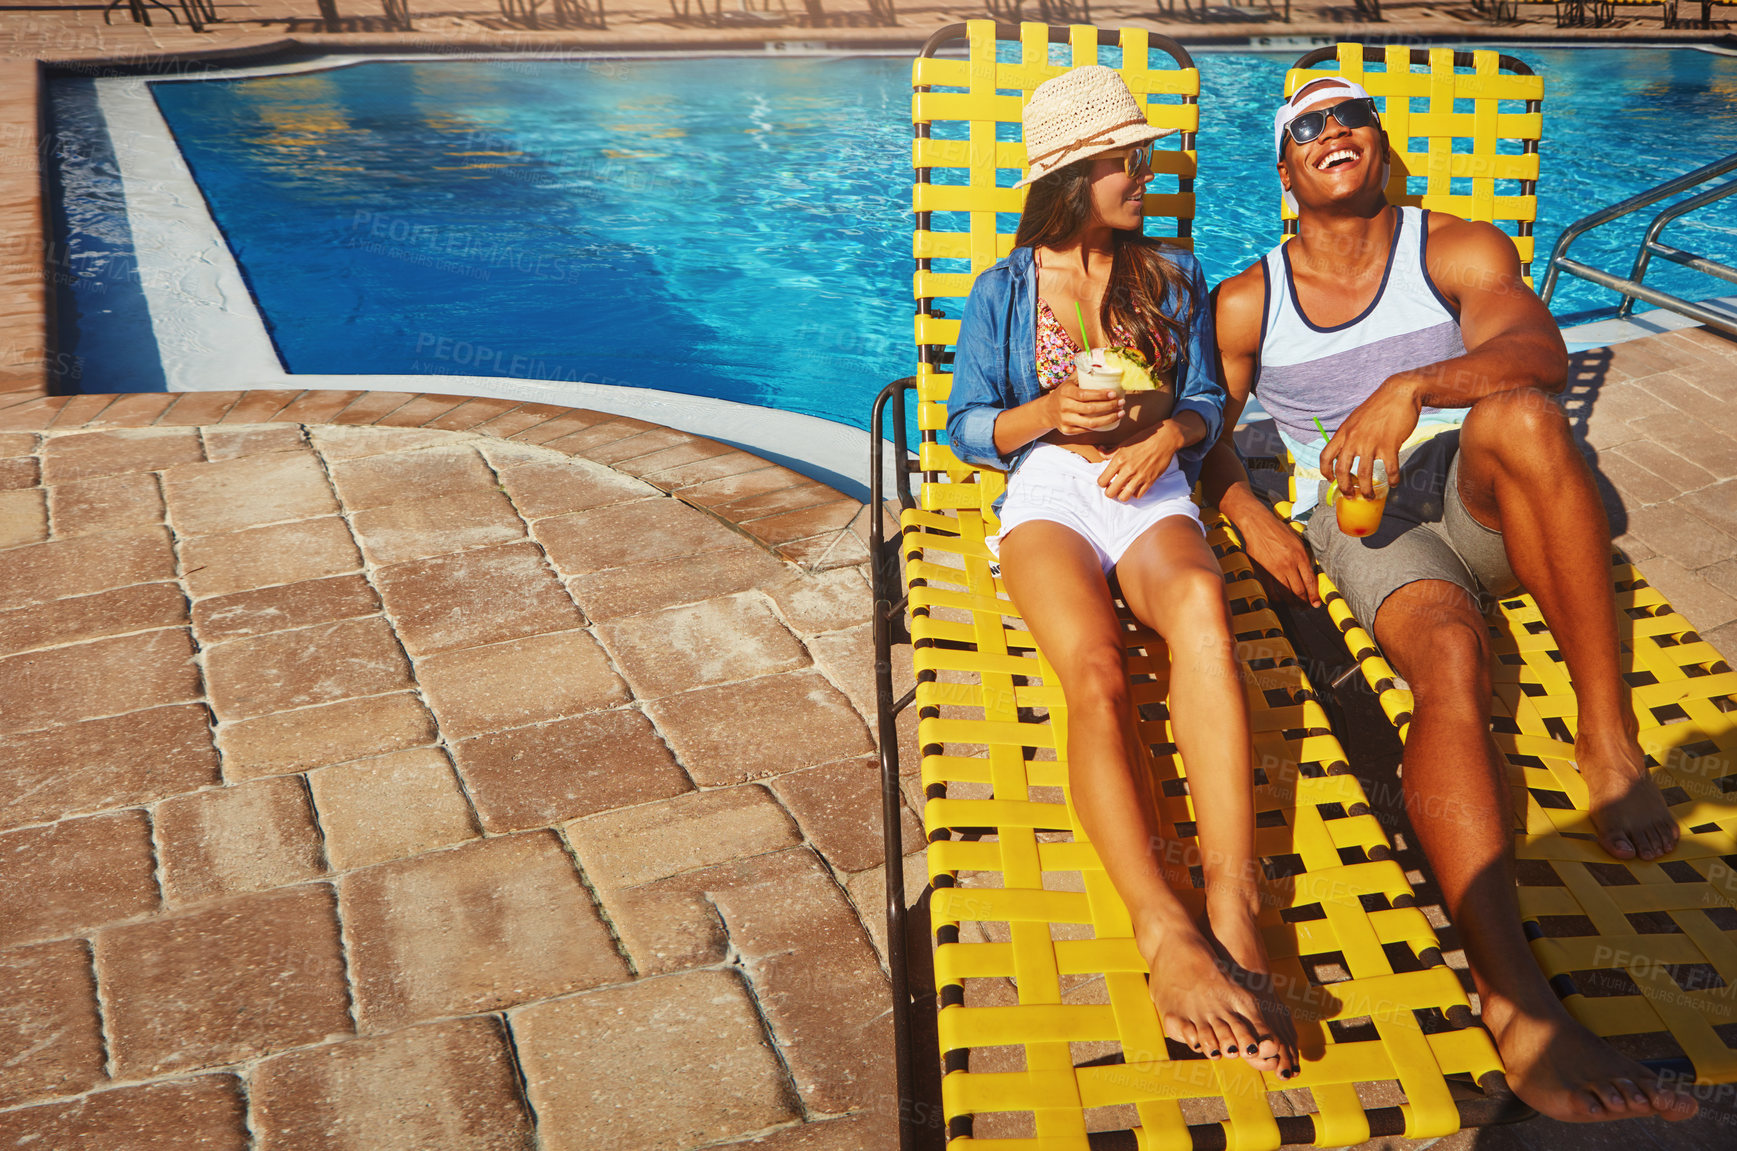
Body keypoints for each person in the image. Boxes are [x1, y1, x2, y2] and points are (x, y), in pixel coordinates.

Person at [1200, 76, 1697, 1122]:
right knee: (1451, 660)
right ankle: (1514, 999)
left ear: (1379, 142)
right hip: (1363, 526)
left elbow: (1542, 352)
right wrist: (1248, 508)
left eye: (1352, 116)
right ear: (1285, 171)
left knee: (1522, 417)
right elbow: (1202, 429)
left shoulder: (1454, 249)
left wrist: (1412, 386)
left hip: (1480, 501)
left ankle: (1606, 738)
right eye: (1307, 127)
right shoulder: (1248, 300)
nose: (1334, 131)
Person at [948, 65, 1297, 1077]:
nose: (1142, 174)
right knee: (1094, 672)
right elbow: (968, 426)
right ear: (1068, 175)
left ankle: (1231, 900)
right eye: (1121, 161)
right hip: (1050, 489)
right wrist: (1048, 416)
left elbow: (1206, 400)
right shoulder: (1004, 291)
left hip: (1151, 489)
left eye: (1140, 157)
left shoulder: (1173, 272)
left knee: (1198, 603)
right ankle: (1163, 931)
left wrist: (1170, 439)